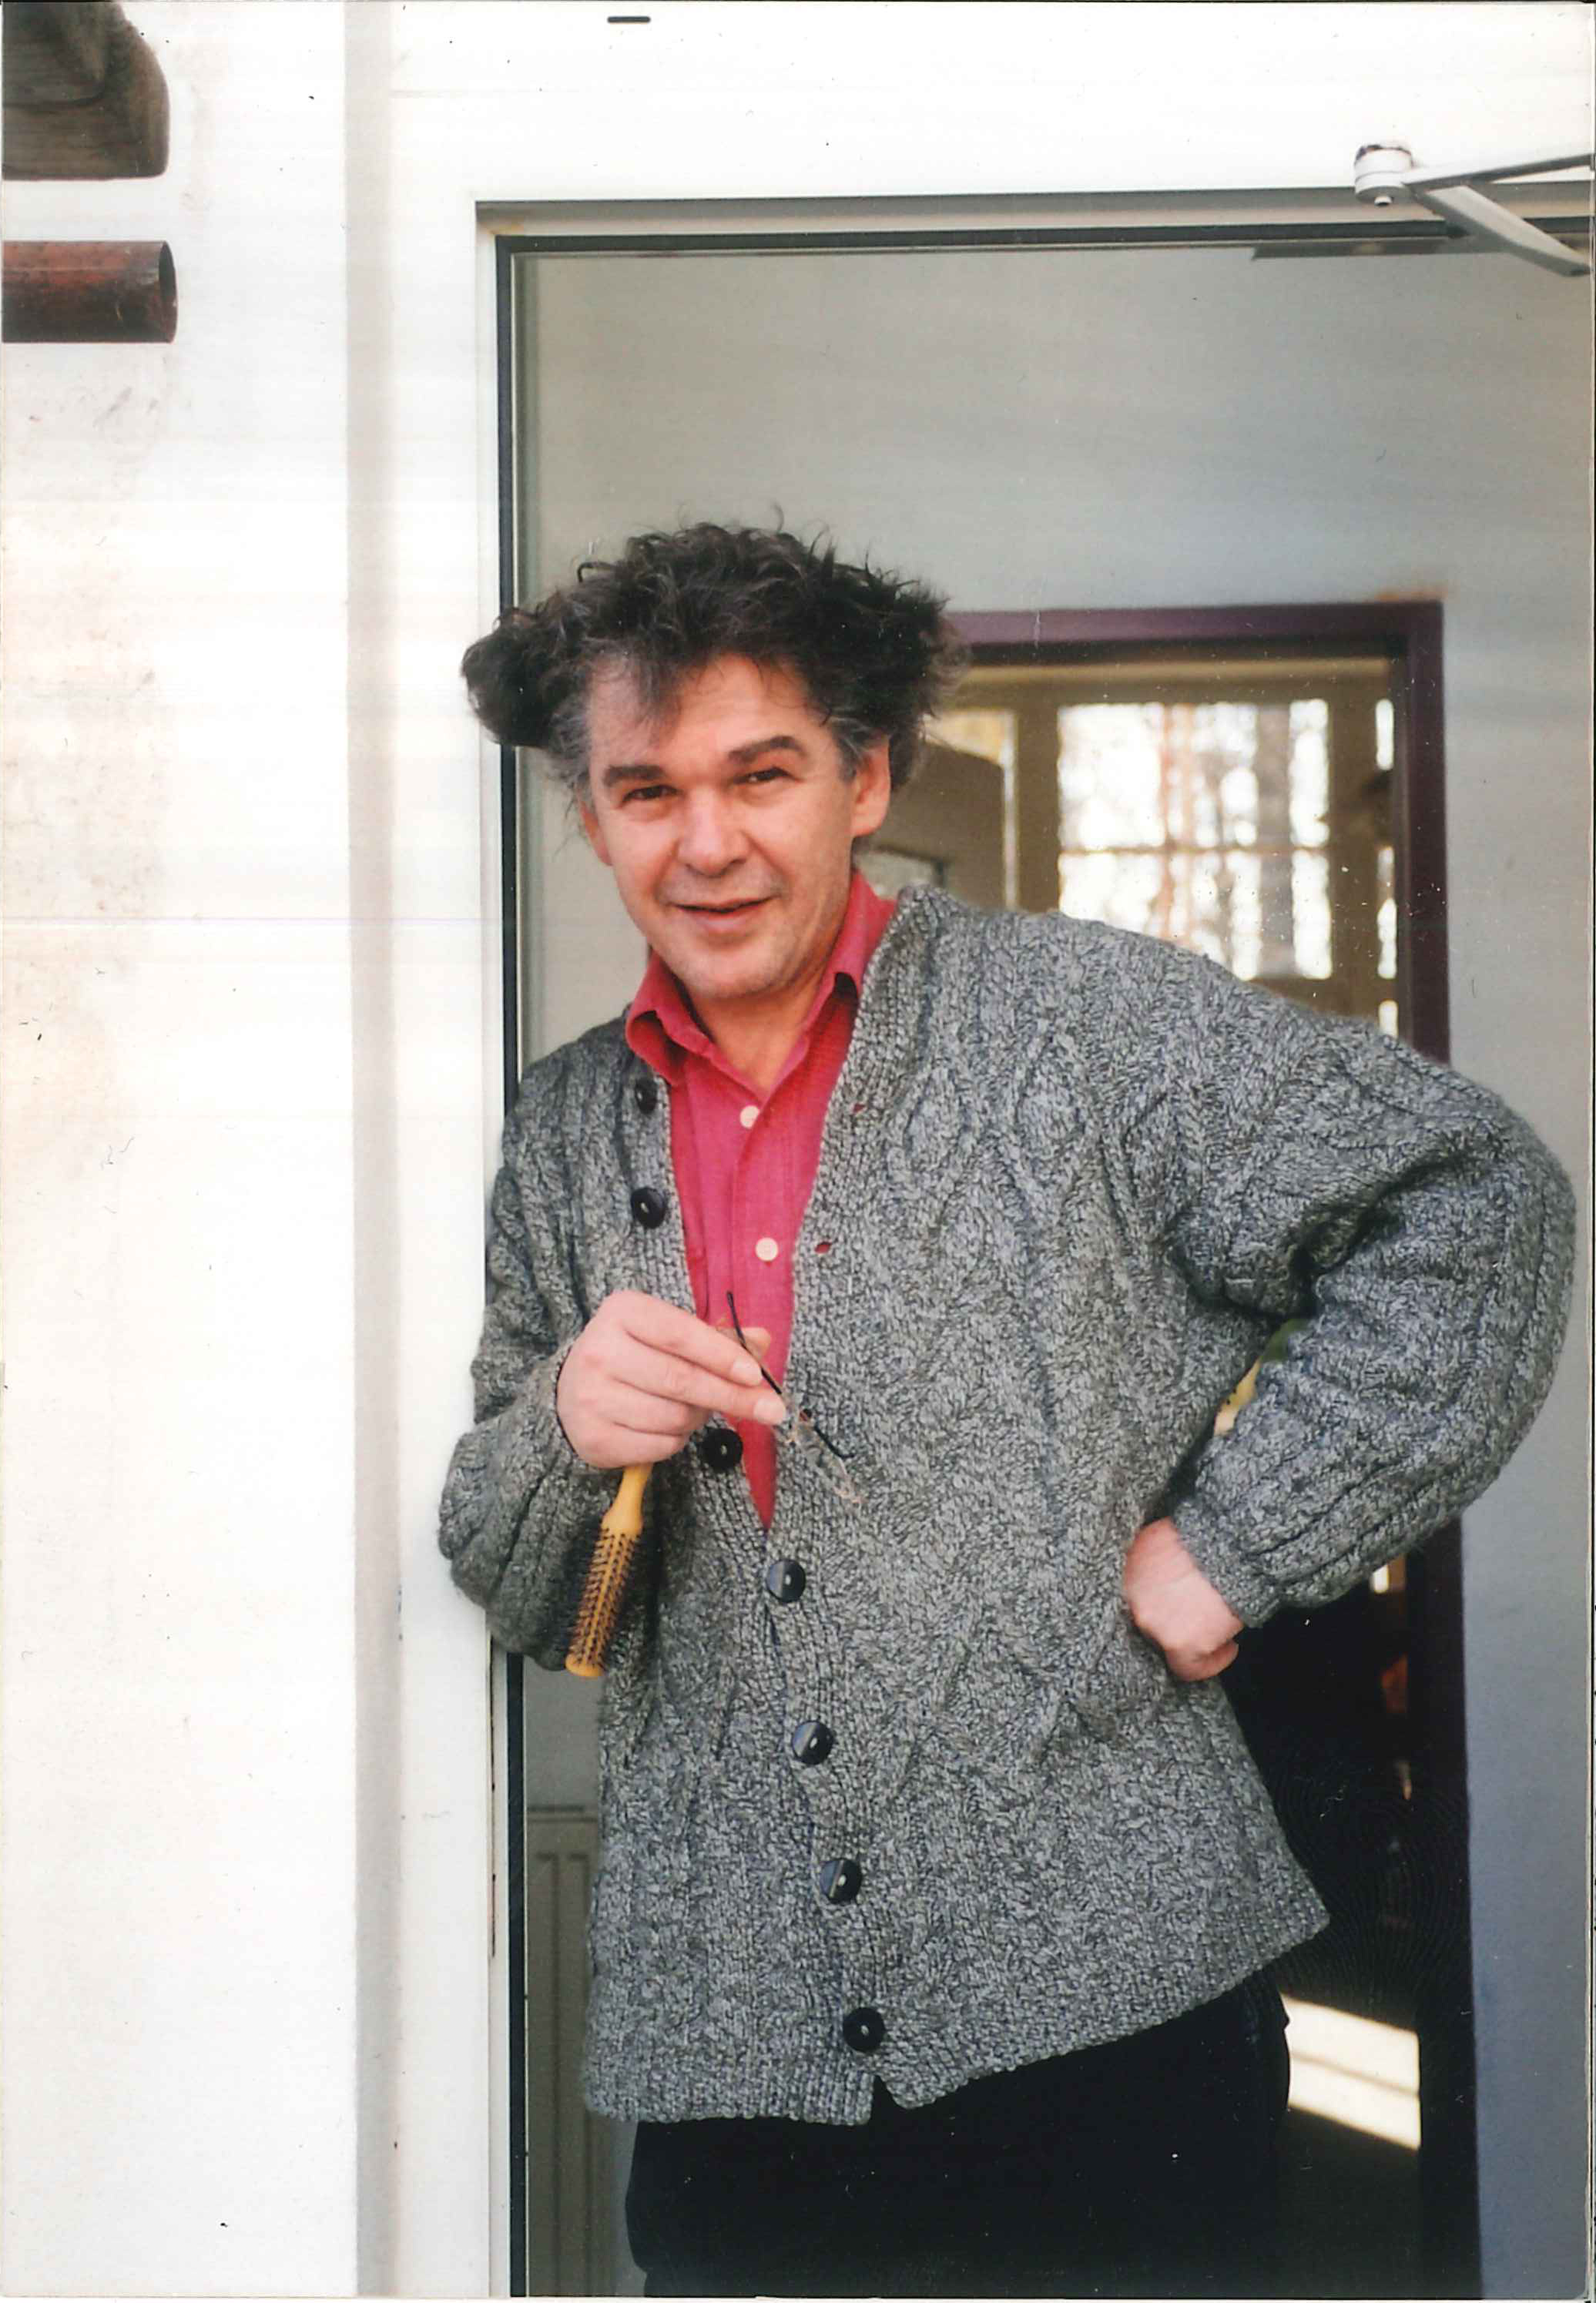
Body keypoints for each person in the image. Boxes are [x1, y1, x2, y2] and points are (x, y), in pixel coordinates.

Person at [439, 523, 1573, 2298]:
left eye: (762, 773)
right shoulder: (563, 1129)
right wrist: (563, 1428)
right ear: (592, 816)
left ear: (868, 777)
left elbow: (1471, 1205)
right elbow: (520, 1585)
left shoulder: (1088, 1024)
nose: (706, 841)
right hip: (734, 2059)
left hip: (1115, 2009)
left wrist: (1233, 1545)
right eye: (647, 789)